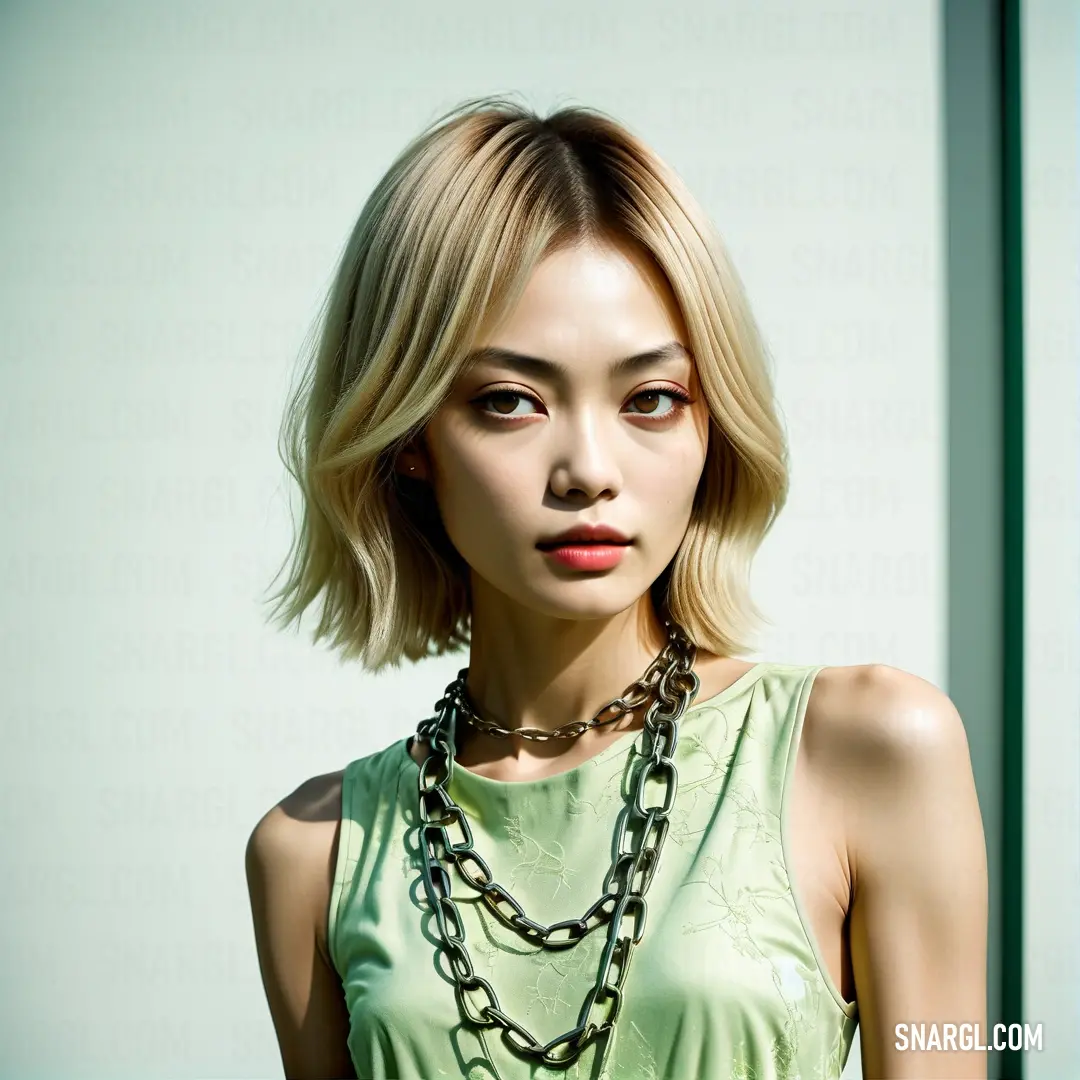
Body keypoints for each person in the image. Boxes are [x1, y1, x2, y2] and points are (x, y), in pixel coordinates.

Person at [244, 96, 988, 1080]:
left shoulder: (866, 750)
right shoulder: (316, 854)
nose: (588, 468)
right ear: (410, 436)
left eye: (651, 399)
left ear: (709, 424)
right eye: (510, 401)